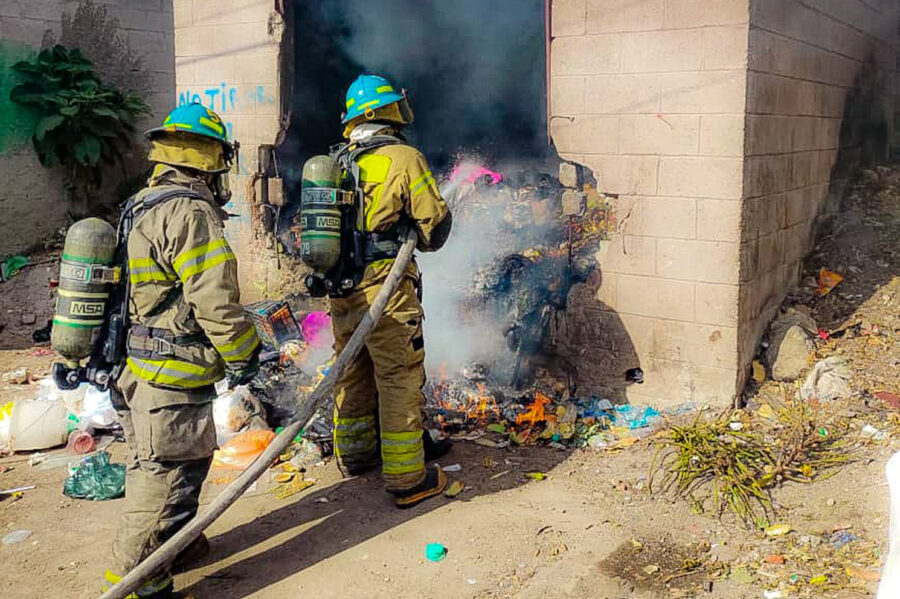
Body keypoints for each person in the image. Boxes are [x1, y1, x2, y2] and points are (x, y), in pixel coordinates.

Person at [102, 103, 260, 598]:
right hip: (170, 373)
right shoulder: (190, 212)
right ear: (210, 158)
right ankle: (136, 582)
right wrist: (243, 354)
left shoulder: (142, 203)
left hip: (136, 366)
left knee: (163, 465)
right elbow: (215, 300)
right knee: (165, 479)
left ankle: (178, 545)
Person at [330, 74, 453, 508]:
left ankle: (357, 455)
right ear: (390, 112)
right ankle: (407, 479)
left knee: (353, 369)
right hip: (387, 287)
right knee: (398, 375)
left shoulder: (337, 161)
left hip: (342, 288)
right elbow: (434, 228)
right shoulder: (403, 157)